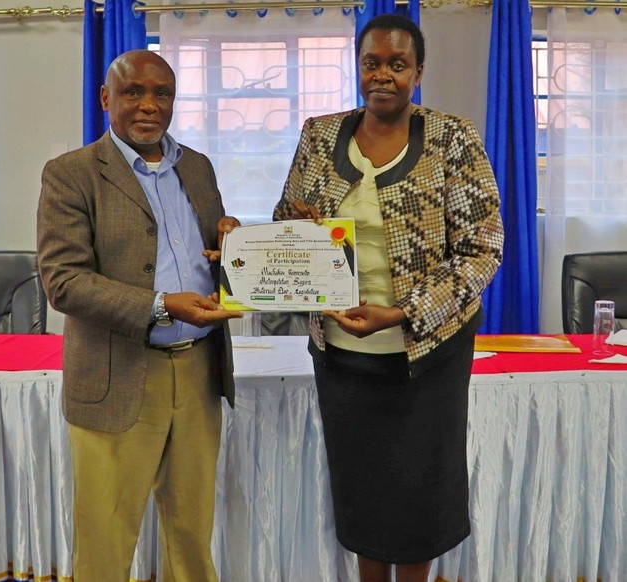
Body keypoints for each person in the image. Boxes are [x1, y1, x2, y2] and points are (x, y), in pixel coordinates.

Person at [273, 14, 504, 582]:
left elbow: (483, 248)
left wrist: (405, 312)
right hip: (342, 355)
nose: (383, 75)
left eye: (397, 65)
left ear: (417, 73)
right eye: (371, 63)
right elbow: (284, 222)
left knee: (420, 495)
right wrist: (298, 225)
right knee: (362, 492)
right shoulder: (319, 135)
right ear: (358, 68)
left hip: (426, 356)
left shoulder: (453, 138)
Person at [37, 49, 241, 582]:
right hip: (117, 373)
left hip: (198, 370)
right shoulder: (71, 174)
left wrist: (237, 249)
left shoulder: (196, 167)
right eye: (134, 92)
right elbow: (63, 281)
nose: (149, 105)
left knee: (191, 537)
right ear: (107, 99)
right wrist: (159, 306)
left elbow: (212, 256)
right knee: (106, 539)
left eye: (162, 94)